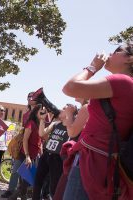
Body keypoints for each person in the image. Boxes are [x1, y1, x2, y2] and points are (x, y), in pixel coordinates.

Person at [62, 44, 133, 200]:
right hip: (105, 164)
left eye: (116, 51)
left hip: (92, 163)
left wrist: (92, 67)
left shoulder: (123, 81)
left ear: (129, 59)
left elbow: (70, 88)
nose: (109, 54)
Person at [0, 91, 37, 198]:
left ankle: (23, 193)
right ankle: (11, 190)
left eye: (32, 97)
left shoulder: (41, 113)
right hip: (22, 146)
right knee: (16, 169)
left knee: (28, 173)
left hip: (35, 148)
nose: (30, 99)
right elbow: (24, 129)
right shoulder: (26, 114)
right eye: (28, 97)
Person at [32, 109, 68, 200]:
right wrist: (42, 120)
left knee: (54, 185)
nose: (61, 110)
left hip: (57, 157)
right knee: (38, 179)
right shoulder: (55, 124)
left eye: (64, 109)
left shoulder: (71, 126)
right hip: (47, 154)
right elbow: (41, 133)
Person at [8, 104, 43, 200]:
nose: (44, 112)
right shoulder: (31, 123)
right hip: (25, 154)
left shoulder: (40, 124)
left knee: (27, 179)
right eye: (41, 110)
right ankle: (14, 196)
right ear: (36, 112)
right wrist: (27, 156)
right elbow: (25, 140)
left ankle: (20, 196)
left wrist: (41, 151)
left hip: (34, 155)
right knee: (26, 178)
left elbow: (40, 140)